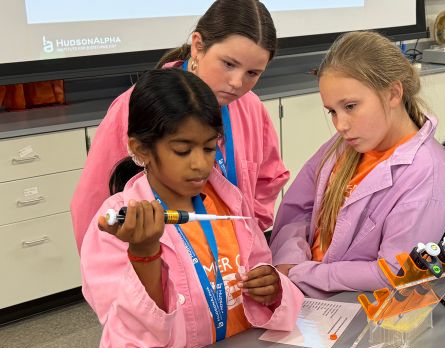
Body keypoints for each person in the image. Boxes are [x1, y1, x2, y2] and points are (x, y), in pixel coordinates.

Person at [80, 69, 303, 348]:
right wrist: (144, 255)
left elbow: (261, 273)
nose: (200, 164)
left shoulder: (229, 201)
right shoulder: (119, 226)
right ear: (142, 149)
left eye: (210, 148)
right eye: (182, 150)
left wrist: (273, 290)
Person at [71, 0, 288, 252]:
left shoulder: (250, 107)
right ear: (198, 46)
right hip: (159, 267)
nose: (237, 82)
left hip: (230, 264)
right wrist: (115, 269)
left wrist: (246, 231)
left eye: (253, 73)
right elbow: (93, 205)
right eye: (228, 64)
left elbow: (269, 178)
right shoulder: (135, 106)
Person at [269, 31, 445, 299]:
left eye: (351, 106)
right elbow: (299, 210)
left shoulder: (428, 173)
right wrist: (290, 258)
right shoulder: (344, 145)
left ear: (393, 93)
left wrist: (302, 273)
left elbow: (394, 272)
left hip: (351, 307)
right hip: (299, 292)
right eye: (332, 111)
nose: (340, 125)